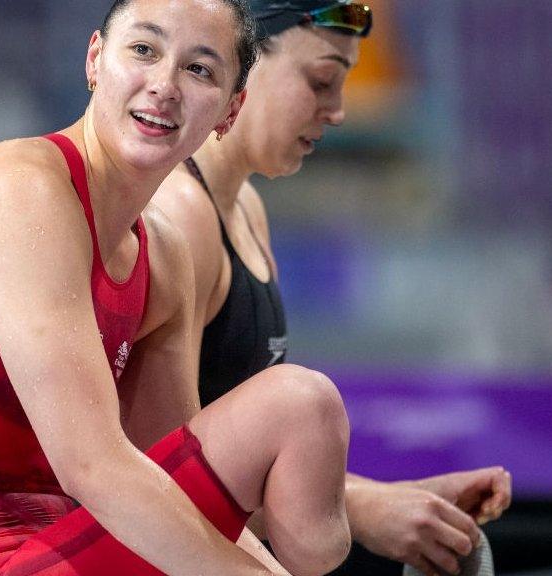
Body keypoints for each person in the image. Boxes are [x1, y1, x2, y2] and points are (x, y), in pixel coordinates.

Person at [0, 1, 353, 574]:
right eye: (144, 50)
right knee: (300, 404)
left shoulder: (166, 254)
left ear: (231, 112)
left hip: (70, 550)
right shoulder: (21, 190)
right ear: (95, 59)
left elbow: (176, 494)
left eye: (199, 69)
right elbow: (92, 466)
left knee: (306, 420)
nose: (164, 86)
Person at [151, 2, 512, 575]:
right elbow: (158, 485)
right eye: (321, 81)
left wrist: (382, 500)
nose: (340, 111)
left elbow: (229, 466)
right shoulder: (178, 215)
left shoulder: (244, 207)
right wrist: (364, 509)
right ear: (240, 64)